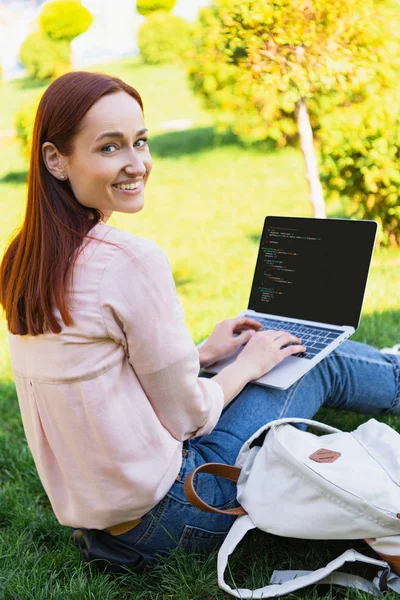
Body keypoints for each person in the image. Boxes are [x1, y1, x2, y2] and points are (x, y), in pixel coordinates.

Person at [1, 71, 400, 576]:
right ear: (56, 160)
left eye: (140, 142)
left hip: (104, 521)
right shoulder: (128, 260)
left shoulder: (25, 259)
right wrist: (245, 368)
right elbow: (189, 419)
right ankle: (395, 373)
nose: (137, 163)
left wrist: (207, 355)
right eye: (109, 148)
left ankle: (387, 365)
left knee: (263, 351)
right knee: (305, 358)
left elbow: (109, 380)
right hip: (180, 513)